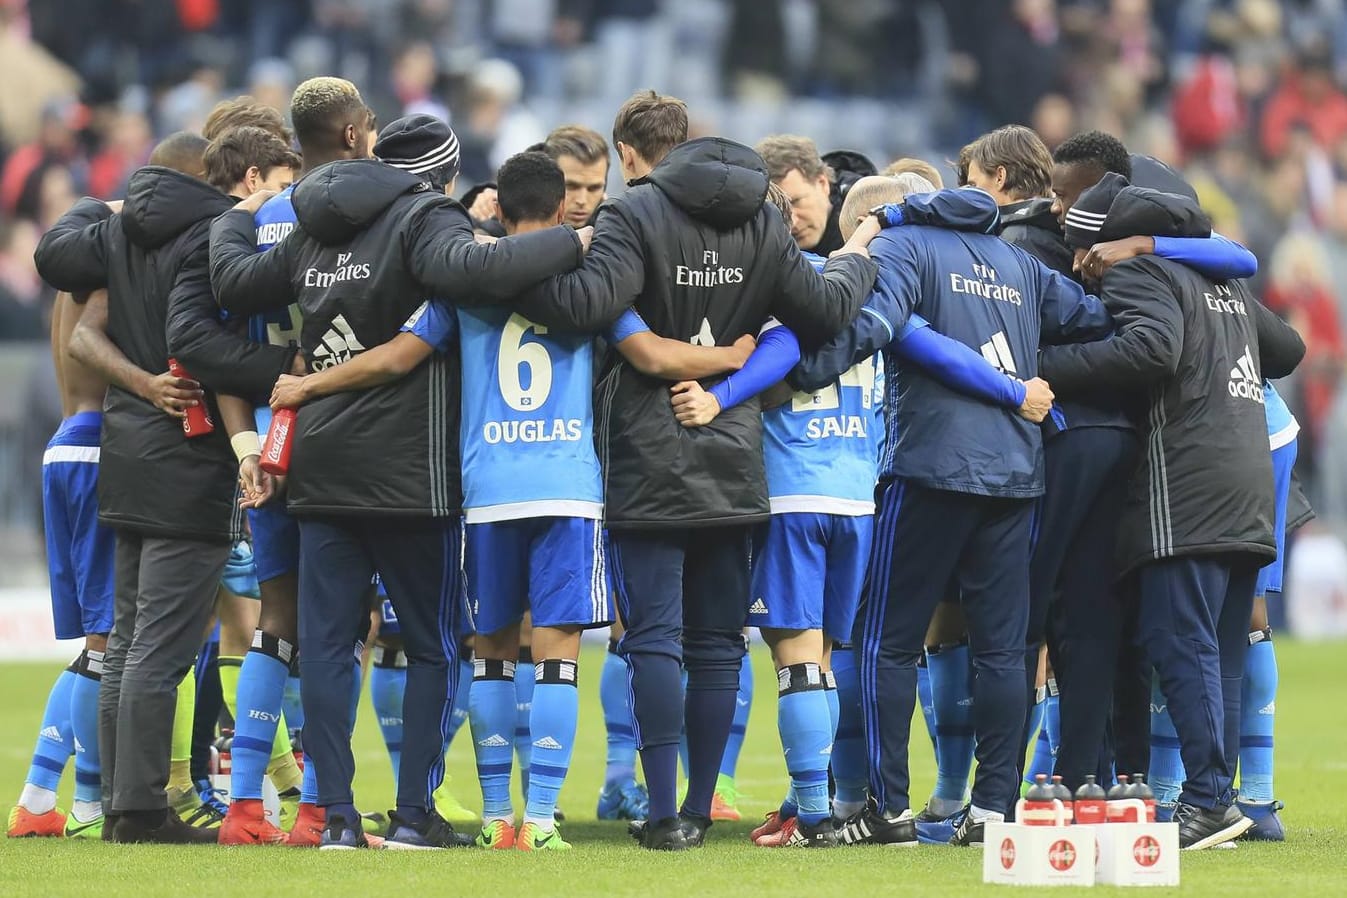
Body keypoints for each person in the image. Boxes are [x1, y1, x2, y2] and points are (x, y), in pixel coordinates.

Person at [209, 109, 588, 849]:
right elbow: (478, 274)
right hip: (413, 475)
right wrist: (573, 238)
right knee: (432, 643)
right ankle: (415, 813)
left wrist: (238, 214)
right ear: (437, 173)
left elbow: (233, 281)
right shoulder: (423, 220)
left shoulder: (310, 229)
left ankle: (337, 819)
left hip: (321, 471)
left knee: (325, 644)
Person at [512, 90, 878, 851]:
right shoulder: (761, 218)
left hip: (648, 454)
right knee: (717, 648)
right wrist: (859, 263)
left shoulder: (632, 215)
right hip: (735, 455)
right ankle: (701, 805)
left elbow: (585, 305)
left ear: (629, 156)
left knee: (652, 642)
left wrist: (517, 256)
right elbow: (819, 308)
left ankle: (658, 815)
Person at [809, 175, 1113, 848]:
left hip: (927, 468)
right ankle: (993, 810)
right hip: (1013, 474)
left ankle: (884, 810)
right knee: (1003, 650)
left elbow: (868, 326)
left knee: (888, 642)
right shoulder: (1019, 264)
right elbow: (1093, 315)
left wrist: (795, 370)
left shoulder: (902, 247)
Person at [32, 130, 294, 844]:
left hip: (125, 456)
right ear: (219, 179)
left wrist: (141, 386)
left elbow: (85, 326)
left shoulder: (119, 232)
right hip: (186, 459)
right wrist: (288, 363)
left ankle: (123, 804)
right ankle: (142, 811)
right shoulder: (211, 234)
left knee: (126, 643)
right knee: (161, 647)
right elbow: (202, 344)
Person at [1040, 173, 1304, 850]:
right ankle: (1224, 793)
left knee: (1176, 640)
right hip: (1249, 479)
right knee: (1217, 647)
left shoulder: (1141, 275)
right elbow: (1287, 350)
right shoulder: (1223, 285)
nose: (1077, 260)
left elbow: (1150, 350)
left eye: (1080, 245)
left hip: (1185, 479)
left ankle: (1208, 800)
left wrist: (1046, 366)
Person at [210, 77, 377, 849]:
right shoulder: (367, 217)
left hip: (272, 437)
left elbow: (229, 357)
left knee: (273, 622)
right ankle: (317, 805)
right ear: (351, 134)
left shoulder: (253, 224)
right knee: (339, 625)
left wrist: (249, 444)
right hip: (348, 431)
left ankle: (245, 806)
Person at [6, 290, 114, 839]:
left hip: (65, 444)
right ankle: (89, 805)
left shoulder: (65, 294)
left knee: (95, 644)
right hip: (100, 450)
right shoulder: (105, 288)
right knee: (107, 639)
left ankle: (37, 798)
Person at [756, 135, 871, 256]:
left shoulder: (877, 232)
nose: (792, 222)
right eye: (777, 211)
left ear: (823, 183)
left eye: (796, 202)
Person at [542, 125, 610, 229]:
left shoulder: (620, 235)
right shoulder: (512, 235)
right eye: (571, 186)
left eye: (594, 188)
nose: (582, 201)